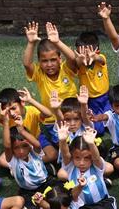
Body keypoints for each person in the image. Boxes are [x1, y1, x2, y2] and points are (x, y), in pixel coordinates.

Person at [22, 21, 79, 165]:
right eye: (44, 61)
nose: (49, 64)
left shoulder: (66, 69)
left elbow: (73, 58)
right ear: (39, 62)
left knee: (85, 141)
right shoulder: (40, 74)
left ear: (60, 59)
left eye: (53, 60)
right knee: (66, 147)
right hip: (51, 122)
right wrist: (30, 43)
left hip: (74, 118)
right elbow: (27, 64)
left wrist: (58, 42)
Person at [57, 125, 117, 209]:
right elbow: (65, 154)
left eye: (86, 158)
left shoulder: (97, 166)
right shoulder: (70, 167)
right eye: (77, 158)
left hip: (101, 203)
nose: (82, 162)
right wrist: (63, 141)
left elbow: (95, 156)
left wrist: (91, 143)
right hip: (80, 206)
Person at [0, 85, 55, 167]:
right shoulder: (5, 116)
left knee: (52, 154)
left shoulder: (31, 111)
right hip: (16, 143)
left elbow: (48, 114)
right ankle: (31, 166)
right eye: (7, 111)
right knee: (1, 161)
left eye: (13, 108)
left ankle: (25, 166)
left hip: (36, 138)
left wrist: (31, 100)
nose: (12, 113)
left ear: (22, 103)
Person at [0, 109, 49, 209]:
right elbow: (6, 146)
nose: (21, 151)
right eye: (16, 148)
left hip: (46, 184)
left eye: (24, 146)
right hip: (28, 191)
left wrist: (22, 130)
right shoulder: (13, 160)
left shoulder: (34, 151)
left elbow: (37, 144)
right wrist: (6, 123)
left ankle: (43, 205)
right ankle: (41, 205)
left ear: (29, 145)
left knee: (60, 195)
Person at [72, 31, 110, 136]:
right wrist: (80, 59)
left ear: (97, 51)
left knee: (114, 117)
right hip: (90, 101)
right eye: (82, 53)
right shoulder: (79, 65)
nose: (85, 56)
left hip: (106, 98)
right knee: (99, 131)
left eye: (88, 53)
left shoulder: (100, 59)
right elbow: (77, 64)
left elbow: (101, 59)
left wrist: (95, 56)